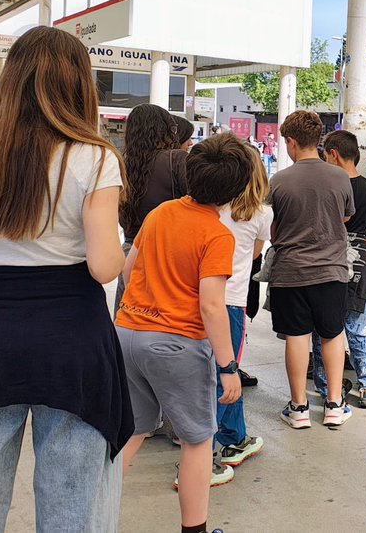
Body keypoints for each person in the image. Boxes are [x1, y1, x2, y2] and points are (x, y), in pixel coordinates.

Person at [0, 27, 131, 529]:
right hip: (73, 336)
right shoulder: (94, 155)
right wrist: (126, 251)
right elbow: (102, 266)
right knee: (75, 496)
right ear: (80, 83)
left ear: (10, 76)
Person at [115, 133, 249, 531]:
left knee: (133, 430)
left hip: (127, 332)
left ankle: (90, 514)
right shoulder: (217, 235)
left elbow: (127, 271)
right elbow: (211, 304)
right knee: (197, 440)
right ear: (235, 191)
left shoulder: (159, 214)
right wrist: (228, 366)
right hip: (176, 344)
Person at [265, 110, 355, 429]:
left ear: (291, 142)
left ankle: (299, 407)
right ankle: (334, 404)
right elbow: (345, 217)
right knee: (332, 336)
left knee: (297, 336)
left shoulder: (278, 181)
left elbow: (270, 225)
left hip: (290, 272)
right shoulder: (340, 177)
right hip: (331, 271)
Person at [311, 131, 366, 409]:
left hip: (323, 263)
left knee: (322, 328)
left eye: (325, 153)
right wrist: (360, 235)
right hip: (356, 266)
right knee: (359, 327)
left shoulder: (324, 187)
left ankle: (326, 386)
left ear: (333, 154)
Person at [213, 143, 272, 464]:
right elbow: (253, 256)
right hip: (232, 304)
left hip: (199, 300)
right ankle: (205, 449)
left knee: (217, 374)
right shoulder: (262, 215)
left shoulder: (208, 209)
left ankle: (234, 437)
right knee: (226, 372)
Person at [116, 104, 187, 314]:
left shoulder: (121, 164)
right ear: (164, 129)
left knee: (126, 319)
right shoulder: (177, 160)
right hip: (169, 253)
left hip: (130, 252)